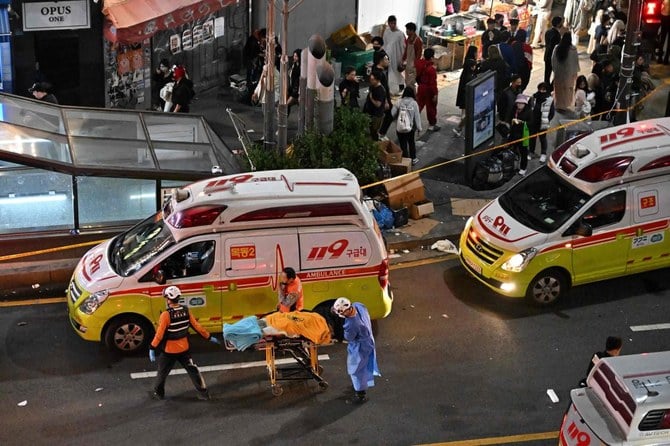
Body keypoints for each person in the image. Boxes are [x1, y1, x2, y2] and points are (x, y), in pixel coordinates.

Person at [149, 286, 221, 400]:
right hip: (184, 349)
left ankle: (159, 393)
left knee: (162, 373)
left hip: (169, 351)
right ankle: (204, 394)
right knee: (193, 371)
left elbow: (159, 334)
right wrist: (209, 337)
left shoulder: (166, 315)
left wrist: (152, 348)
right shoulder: (186, 310)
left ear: (168, 299)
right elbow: (197, 327)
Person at [332, 297, 380, 404]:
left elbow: (349, 337)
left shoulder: (351, 324)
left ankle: (360, 394)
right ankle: (359, 385)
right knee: (362, 366)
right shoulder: (358, 306)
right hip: (367, 341)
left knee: (356, 369)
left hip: (360, 347)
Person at [391, 86, 422, 164]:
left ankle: (405, 160)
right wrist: (419, 128)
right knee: (411, 143)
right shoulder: (414, 103)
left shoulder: (399, 102)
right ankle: (413, 159)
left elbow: (392, 113)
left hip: (400, 128)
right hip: (410, 128)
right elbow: (417, 117)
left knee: (403, 144)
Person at [551, 32, 580, 112]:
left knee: (558, 91)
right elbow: (575, 62)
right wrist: (575, 74)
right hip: (569, 75)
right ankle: (566, 105)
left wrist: (555, 70)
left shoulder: (557, 48)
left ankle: (558, 105)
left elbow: (553, 60)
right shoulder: (573, 49)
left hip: (558, 75)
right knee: (568, 91)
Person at [529, 82, 554, 163]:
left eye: (544, 89)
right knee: (532, 137)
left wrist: (547, 120)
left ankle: (543, 153)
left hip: (543, 122)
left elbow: (552, 112)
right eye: (540, 89)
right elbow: (530, 107)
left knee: (542, 138)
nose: (541, 91)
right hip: (534, 121)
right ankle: (531, 152)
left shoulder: (549, 100)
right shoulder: (534, 97)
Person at [415, 48, 439, 131]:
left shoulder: (418, 64)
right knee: (431, 107)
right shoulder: (431, 69)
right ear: (432, 57)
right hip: (429, 90)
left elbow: (416, 76)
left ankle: (412, 120)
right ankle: (432, 125)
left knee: (419, 105)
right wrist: (435, 94)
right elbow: (433, 84)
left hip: (421, 87)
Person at [507, 94, 532, 176]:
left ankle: (523, 168)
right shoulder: (514, 110)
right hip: (513, 133)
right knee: (512, 150)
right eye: (518, 103)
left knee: (524, 152)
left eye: (522, 103)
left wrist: (522, 122)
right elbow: (509, 118)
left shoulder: (529, 112)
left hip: (523, 135)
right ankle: (513, 165)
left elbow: (531, 123)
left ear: (525, 104)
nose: (520, 105)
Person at [453, 58, 478, 137]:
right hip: (469, 97)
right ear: (472, 67)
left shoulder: (464, 74)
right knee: (467, 115)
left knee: (464, 114)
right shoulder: (471, 76)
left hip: (464, 97)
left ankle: (459, 130)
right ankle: (459, 128)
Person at [372, 52, 394, 140]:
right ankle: (380, 134)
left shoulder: (379, 70)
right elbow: (381, 89)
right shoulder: (379, 74)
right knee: (388, 116)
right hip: (382, 99)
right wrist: (385, 101)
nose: (388, 61)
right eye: (386, 59)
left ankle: (379, 134)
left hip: (382, 98)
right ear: (381, 61)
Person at [382, 15, 406, 95]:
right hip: (388, 55)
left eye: (394, 23)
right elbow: (385, 43)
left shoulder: (400, 34)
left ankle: (401, 85)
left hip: (397, 56)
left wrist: (403, 58)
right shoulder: (386, 32)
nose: (392, 25)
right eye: (391, 23)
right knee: (390, 71)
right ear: (388, 23)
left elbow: (403, 46)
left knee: (397, 71)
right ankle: (390, 88)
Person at [363, 71, 387, 139]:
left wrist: (371, 98)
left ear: (378, 80)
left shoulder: (380, 90)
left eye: (372, 79)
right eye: (370, 79)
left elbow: (378, 104)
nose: (371, 80)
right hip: (369, 112)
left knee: (374, 132)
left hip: (376, 115)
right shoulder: (372, 86)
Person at [402, 22, 423, 92]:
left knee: (411, 82)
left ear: (412, 31)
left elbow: (419, 54)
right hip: (408, 63)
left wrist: (415, 65)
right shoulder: (408, 39)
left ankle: (413, 96)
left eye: (407, 30)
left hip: (413, 65)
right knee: (407, 81)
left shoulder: (418, 41)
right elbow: (406, 51)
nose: (406, 32)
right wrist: (403, 60)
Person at [544, 16, 563, 85]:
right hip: (553, 57)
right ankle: (550, 86)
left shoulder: (548, 32)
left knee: (547, 73)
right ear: (558, 24)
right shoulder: (556, 35)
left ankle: (545, 85)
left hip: (547, 55)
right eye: (561, 22)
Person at [287, 49, 301, 115]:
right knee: (287, 104)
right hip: (292, 88)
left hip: (296, 90)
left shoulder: (301, 67)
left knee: (287, 104)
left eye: (296, 56)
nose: (294, 57)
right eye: (294, 56)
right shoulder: (294, 65)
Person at [659, 0, 670, 64]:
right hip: (667, 16)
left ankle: (660, 57)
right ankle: (666, 58)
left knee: (662, 39)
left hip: (663, 16)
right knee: (669, 41)